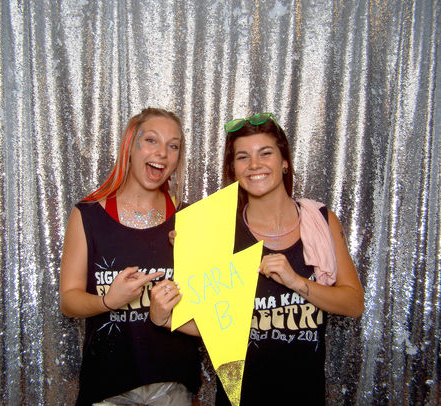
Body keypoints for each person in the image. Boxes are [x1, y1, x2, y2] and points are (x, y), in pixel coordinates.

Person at [150, 112, 364, 405]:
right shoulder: (217, 231)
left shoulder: (321, 221)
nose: (254, 165)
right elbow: (213, 326)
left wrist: (296, 281)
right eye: (243, 157)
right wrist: (163, 318)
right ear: (233, 169)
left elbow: (354, 303)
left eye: (265, 153)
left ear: (284, 161)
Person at [60, 108, 201, 406]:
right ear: (130, 146)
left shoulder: (190, 219)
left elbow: (214, 313)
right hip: (107, 387)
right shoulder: (88, 215)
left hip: (173, 385)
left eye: (173, 146)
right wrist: (108, 301)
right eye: (151, 140)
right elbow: (69, 301)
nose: (162, 153)